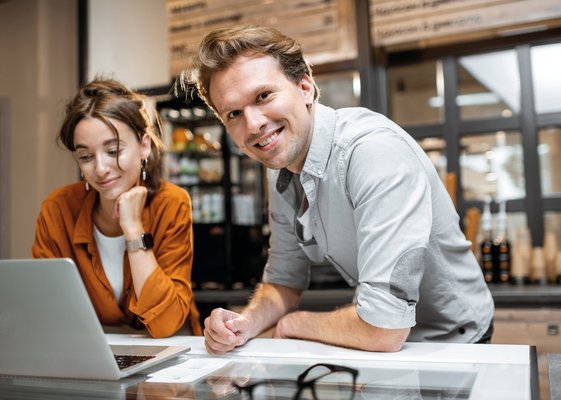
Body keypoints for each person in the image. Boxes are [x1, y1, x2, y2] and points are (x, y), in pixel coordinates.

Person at [188, 25, 494, 353]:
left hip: (455, 340)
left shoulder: (372, 152)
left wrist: (294, 323)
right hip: (383, 347)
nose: (253, 124)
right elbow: (283, 280)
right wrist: (244, 324)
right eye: (233, 113)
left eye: (263, 96)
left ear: (305, 86)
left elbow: (382, 328)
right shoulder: (280, 165)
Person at [32, 78, 202, 338]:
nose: (100, 169)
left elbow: (166, 323)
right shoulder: (58, 209)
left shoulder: (171, 203)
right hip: (97, 355)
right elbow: (44, 315)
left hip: (174, 356)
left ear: (144, 145)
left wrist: (134, 229)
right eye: (86, 156)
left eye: (113, 151)